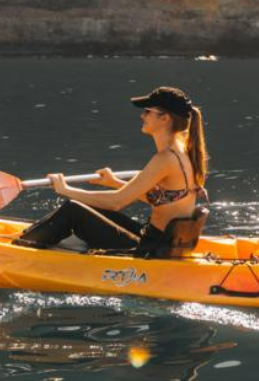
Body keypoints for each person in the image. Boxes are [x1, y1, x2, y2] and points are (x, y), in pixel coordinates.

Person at [14, 86, 209, 257]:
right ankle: (29, 238)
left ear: (165, 118)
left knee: (73, 210)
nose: (142, 116)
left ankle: (19, 249)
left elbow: (116, 203)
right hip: (159, 241)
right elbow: (163, 199)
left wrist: (65, 190)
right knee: (87, 208)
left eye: (147, 111)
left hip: (151, 248)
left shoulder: (165, 159)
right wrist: (115, 182)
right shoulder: (182, 153)